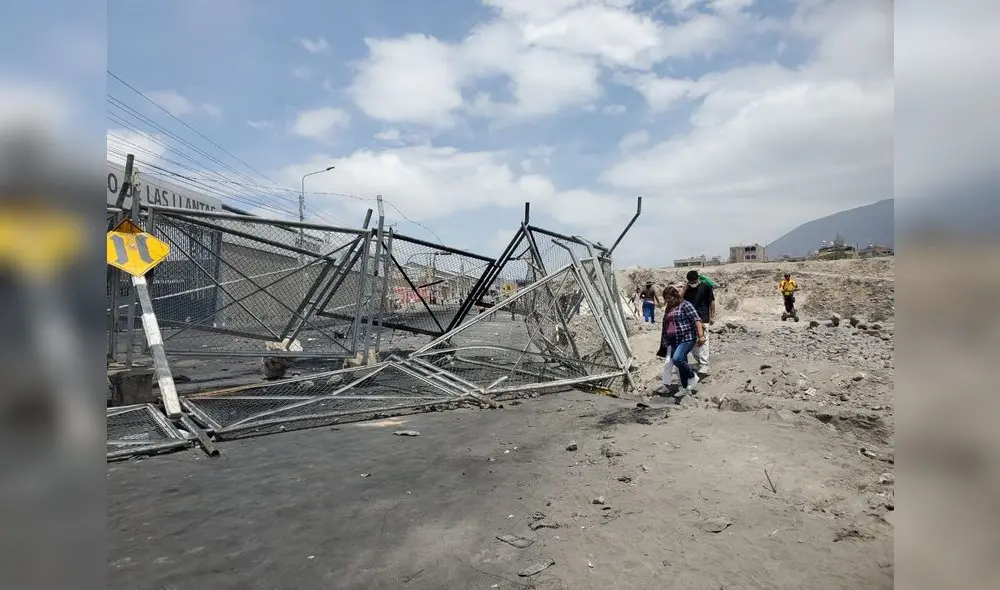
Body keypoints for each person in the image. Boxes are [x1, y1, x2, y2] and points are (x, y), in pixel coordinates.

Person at [655, 286, 705, 396]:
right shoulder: (669, 308)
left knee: (677, 359)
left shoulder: (685, 305)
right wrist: (665, 340)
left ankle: (692, 376)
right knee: (682, 362)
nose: (667, 300)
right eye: (666, 298)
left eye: (669, 298)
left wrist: (701, 335)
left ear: (675, 296)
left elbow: (696, 319)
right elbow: (666, 324)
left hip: (686, 338)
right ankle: (685, 387)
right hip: (673, 340)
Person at [680, 269, 716, 376]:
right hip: (690, 319)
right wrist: (685, 289)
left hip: (703, 317)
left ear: (698, 279)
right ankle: (697, 363)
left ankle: (704, 364)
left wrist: (712, 316)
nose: (693, 284)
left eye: (694, 281)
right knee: (693, 342)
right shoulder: (687, 290)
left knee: (703, 340)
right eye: (690, 282)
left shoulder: (706, 288)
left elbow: (712, 301)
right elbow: (680, 300)